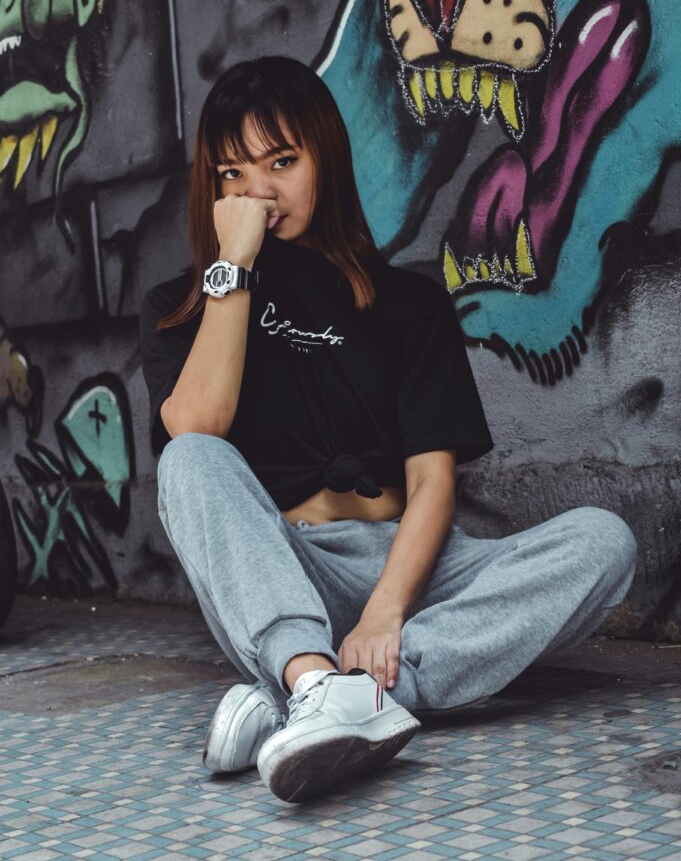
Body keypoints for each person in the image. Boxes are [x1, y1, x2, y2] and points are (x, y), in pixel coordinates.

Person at [138, 56, 637, 804]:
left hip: (413, 570)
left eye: (281, 161)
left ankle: (324, 698)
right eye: (232, 173)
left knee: (604, 542)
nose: (258, 191)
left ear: (323, 160)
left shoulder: (407, 302)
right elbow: (199, 427)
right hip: (280, 567)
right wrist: (231, 267)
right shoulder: (186, 305)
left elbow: (433, 480)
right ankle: (311, 677)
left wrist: (383, 612)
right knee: (189, 460)